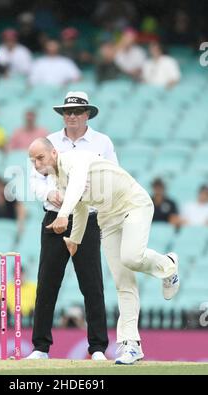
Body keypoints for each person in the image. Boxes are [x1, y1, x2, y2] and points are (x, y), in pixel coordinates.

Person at [29, 137, 180, 365]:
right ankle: (131, 345)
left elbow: (78, 185)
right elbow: (80, 207)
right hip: (108, 218)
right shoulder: (59, 180)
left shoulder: (73, 159)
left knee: (131, 258)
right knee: (122, 281)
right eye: (33, 161)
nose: (37, 165)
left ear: (54, 153)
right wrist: (75, 239)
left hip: (133, 204)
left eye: (40, 158)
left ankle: (168, 265)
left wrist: (61, 216)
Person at [27, 92, 117, 361]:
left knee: (92, 284)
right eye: (67, 112)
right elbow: (35, 179)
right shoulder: (50, 142)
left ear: (88, 113)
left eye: (77, 112)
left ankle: (98, 347)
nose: (72, 116)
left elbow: (113, 177)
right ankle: (40, 348)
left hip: (87, 219)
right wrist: (48, 194)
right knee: (47, 283)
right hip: (55, 218)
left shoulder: (102, 142)